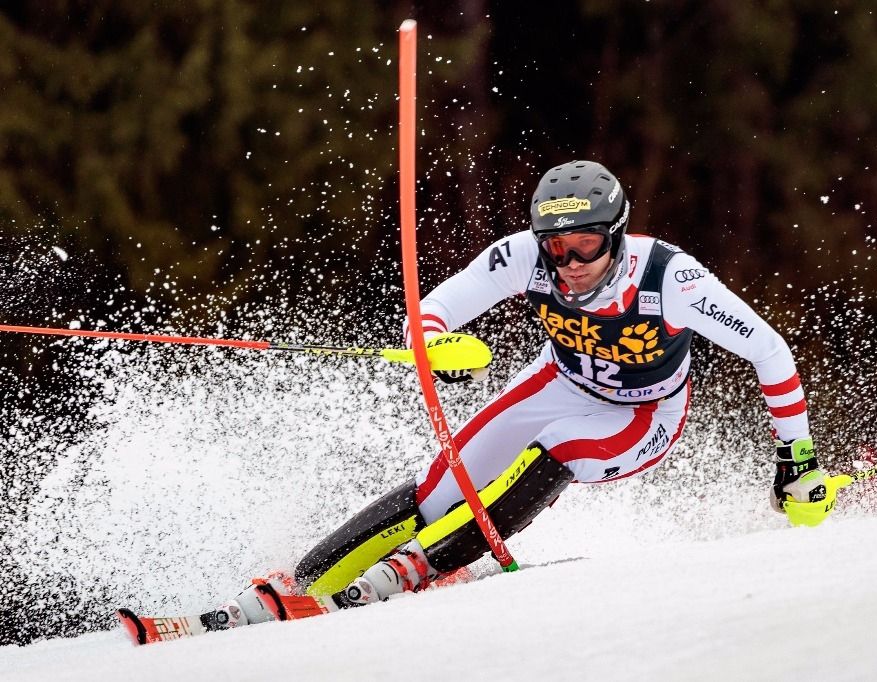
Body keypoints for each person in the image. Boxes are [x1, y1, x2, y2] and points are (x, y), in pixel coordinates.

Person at [212, 160, 841, 627]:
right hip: (560, 379)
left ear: (616, 235)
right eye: (557, 245)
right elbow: (437, 308)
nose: (568, 261)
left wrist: (797, 457)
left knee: (557, 448)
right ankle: (304, 580)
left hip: (643, 413)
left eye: (586, 243)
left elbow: (770, 350)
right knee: (444, 487)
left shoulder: (668, 277)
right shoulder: (523, 256)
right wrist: (430, 343)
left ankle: (418, 568)